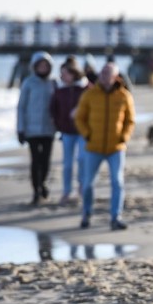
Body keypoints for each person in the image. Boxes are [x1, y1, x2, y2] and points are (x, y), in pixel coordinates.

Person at [74, 62, 135, 231]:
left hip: (116, 148)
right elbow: (80, 118)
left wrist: (124, 137)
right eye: (102, 72)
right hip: (93, 147)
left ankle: (116, 217)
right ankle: (86, 214)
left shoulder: (124, 96)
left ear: (115, 76)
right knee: (87, 184)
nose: (103, 75)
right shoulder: (90, 94)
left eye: (107, 73)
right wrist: (87, 134)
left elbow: (130, 121)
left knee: (117, 182)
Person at [17, 51, 57, 205]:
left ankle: (43, 183)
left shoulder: (54, 83)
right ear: (35, 66)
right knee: (35, 160)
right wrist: (20, 129)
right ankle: (36, 191)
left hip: (49, 129)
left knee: (46, 161)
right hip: (31, 130)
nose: (43, 68)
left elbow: (59, 106)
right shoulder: (28, 83)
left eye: (46, 65)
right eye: (40, 65)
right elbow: (21, 107)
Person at [50, 56, 88, 205]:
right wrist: (58, 125)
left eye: (64, 73)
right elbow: (53, 109)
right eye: (61, 74)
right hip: (66, 131)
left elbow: (94, 105)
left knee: (82, 160)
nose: (62, 76)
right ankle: (66, 192)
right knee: (67, 164)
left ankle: (82, 188)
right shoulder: (60, 90)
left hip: (83, 131)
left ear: (74, 73)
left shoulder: (86, 88)